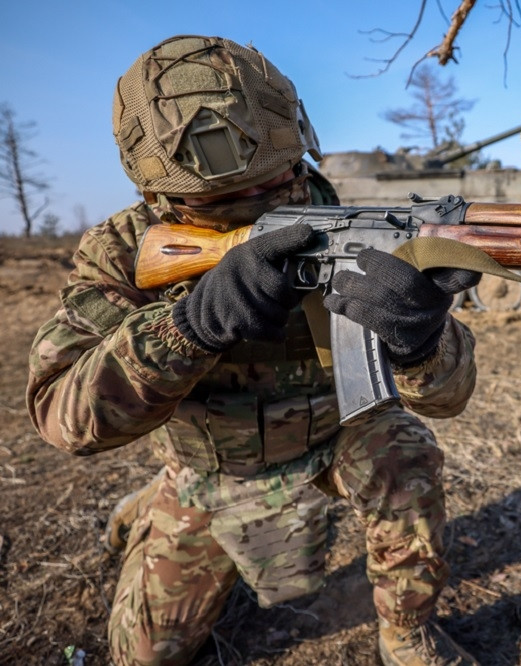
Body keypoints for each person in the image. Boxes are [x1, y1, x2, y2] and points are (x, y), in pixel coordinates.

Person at [26, 35, 481, 666]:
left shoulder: (348, 218)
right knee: (147, 656)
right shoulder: (123, 251)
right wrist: (190, 326)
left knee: (405, 452)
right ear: (159, 196)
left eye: (275, 185)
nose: (256, 209)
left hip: (333, 437)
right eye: (213, 207)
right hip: (209, 467)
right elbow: (61, 416)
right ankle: (156, 503)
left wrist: (421, 339)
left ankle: (406, 634)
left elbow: (450, 397)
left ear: (298, 150)